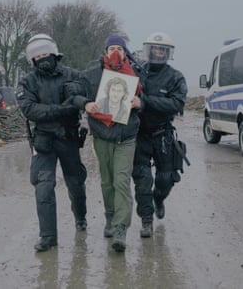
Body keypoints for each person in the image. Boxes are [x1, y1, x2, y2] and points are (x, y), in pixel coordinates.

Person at [68, 34, 141, 252]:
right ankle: (110, 216)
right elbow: (73, 93)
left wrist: (140, 102)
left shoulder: (135, 73)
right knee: (107, 181)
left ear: (125, 51)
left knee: (121, 180)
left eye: (120, 48)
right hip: (101, 135)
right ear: (105, 52)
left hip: (126, 136)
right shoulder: (91, 74)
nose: (115, 52)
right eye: (112, 48)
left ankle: (120, 228)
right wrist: (85, 103)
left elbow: (145, 99)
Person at [16, 33, 87, 252]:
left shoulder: (73, 75)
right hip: (44, 140)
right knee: (43, 187)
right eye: (38, 55)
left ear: (54, 53)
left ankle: (80, 217)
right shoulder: (27, 81)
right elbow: (29, 109)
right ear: (32, 59)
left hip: (68, 136)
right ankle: (47, 236)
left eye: (46, 53)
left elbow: (84, 98)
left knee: (75, 182)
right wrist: (61, 109)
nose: (43, 57)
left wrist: (74, 103)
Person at [132, 32, 188, 238]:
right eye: (154, 49)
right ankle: (146, 220)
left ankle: (159, 199)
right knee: (142, 182)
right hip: (139, 135)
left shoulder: (175, 77)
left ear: (167, 53)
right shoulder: (136, 73)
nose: (157, 52)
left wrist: (146, 101)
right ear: (148, 50)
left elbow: (177, 104)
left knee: (166, 179)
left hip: (162, 134)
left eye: (161, 49)